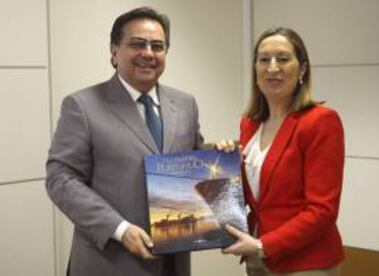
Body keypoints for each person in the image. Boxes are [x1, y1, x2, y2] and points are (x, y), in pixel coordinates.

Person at [46, 7, 203, 276]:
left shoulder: (185, 104)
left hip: (173, 264)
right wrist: (119, 229)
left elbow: (195, 165)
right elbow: (61, 179)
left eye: (158, 46)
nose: (149, 53)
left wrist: (221, 154)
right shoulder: (82, 106)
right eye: (137, 44)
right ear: (114, 51)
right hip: (110, 261)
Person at [218, 27, 345, 276]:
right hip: (256, 257)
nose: (272, 67)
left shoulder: (321, 121)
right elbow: (251, 197)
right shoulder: (249, 123)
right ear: (255, 69)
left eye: (283, 59)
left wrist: (265, 245)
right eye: (264, 59)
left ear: (302, 70)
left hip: (306, 262)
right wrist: (225, 162)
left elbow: (322, 211)